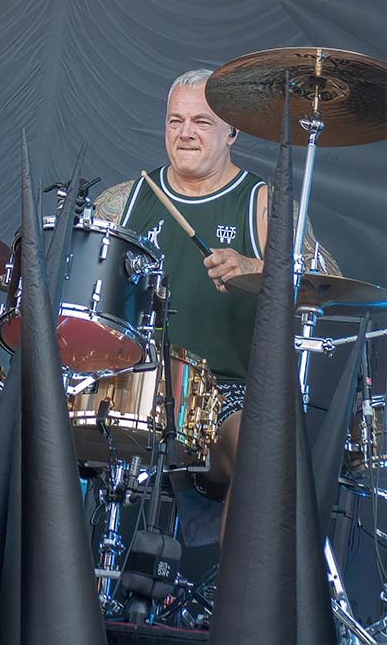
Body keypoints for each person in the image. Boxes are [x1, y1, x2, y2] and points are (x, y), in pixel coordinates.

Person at [93, 68, 339, 537]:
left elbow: (328, 283)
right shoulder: (122, 201)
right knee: (36, 422)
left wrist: (258, 269)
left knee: (259, 454)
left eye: (202, 122)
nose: (185, 133)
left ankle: (238, 586)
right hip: (130, 384)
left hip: (226, 393)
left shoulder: (263, 203)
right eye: (175, 121)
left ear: (233, 132)